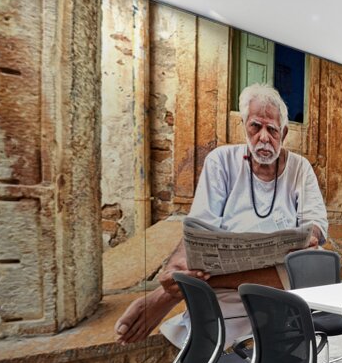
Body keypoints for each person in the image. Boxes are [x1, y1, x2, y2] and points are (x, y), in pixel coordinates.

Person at [115, 83, 328, 348]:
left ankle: (173, 294)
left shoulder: (300, 168)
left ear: (283, 133)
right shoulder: (221, 160)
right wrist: (177, 268)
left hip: (275, 272)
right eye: (255, 126)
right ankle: (182, 285)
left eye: (272, 129)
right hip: (231, 266)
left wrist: (311, 236)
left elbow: (316, 224)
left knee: (313, 262)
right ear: (243, 126)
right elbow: (201, 225)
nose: (263, 137)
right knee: (193, 253)